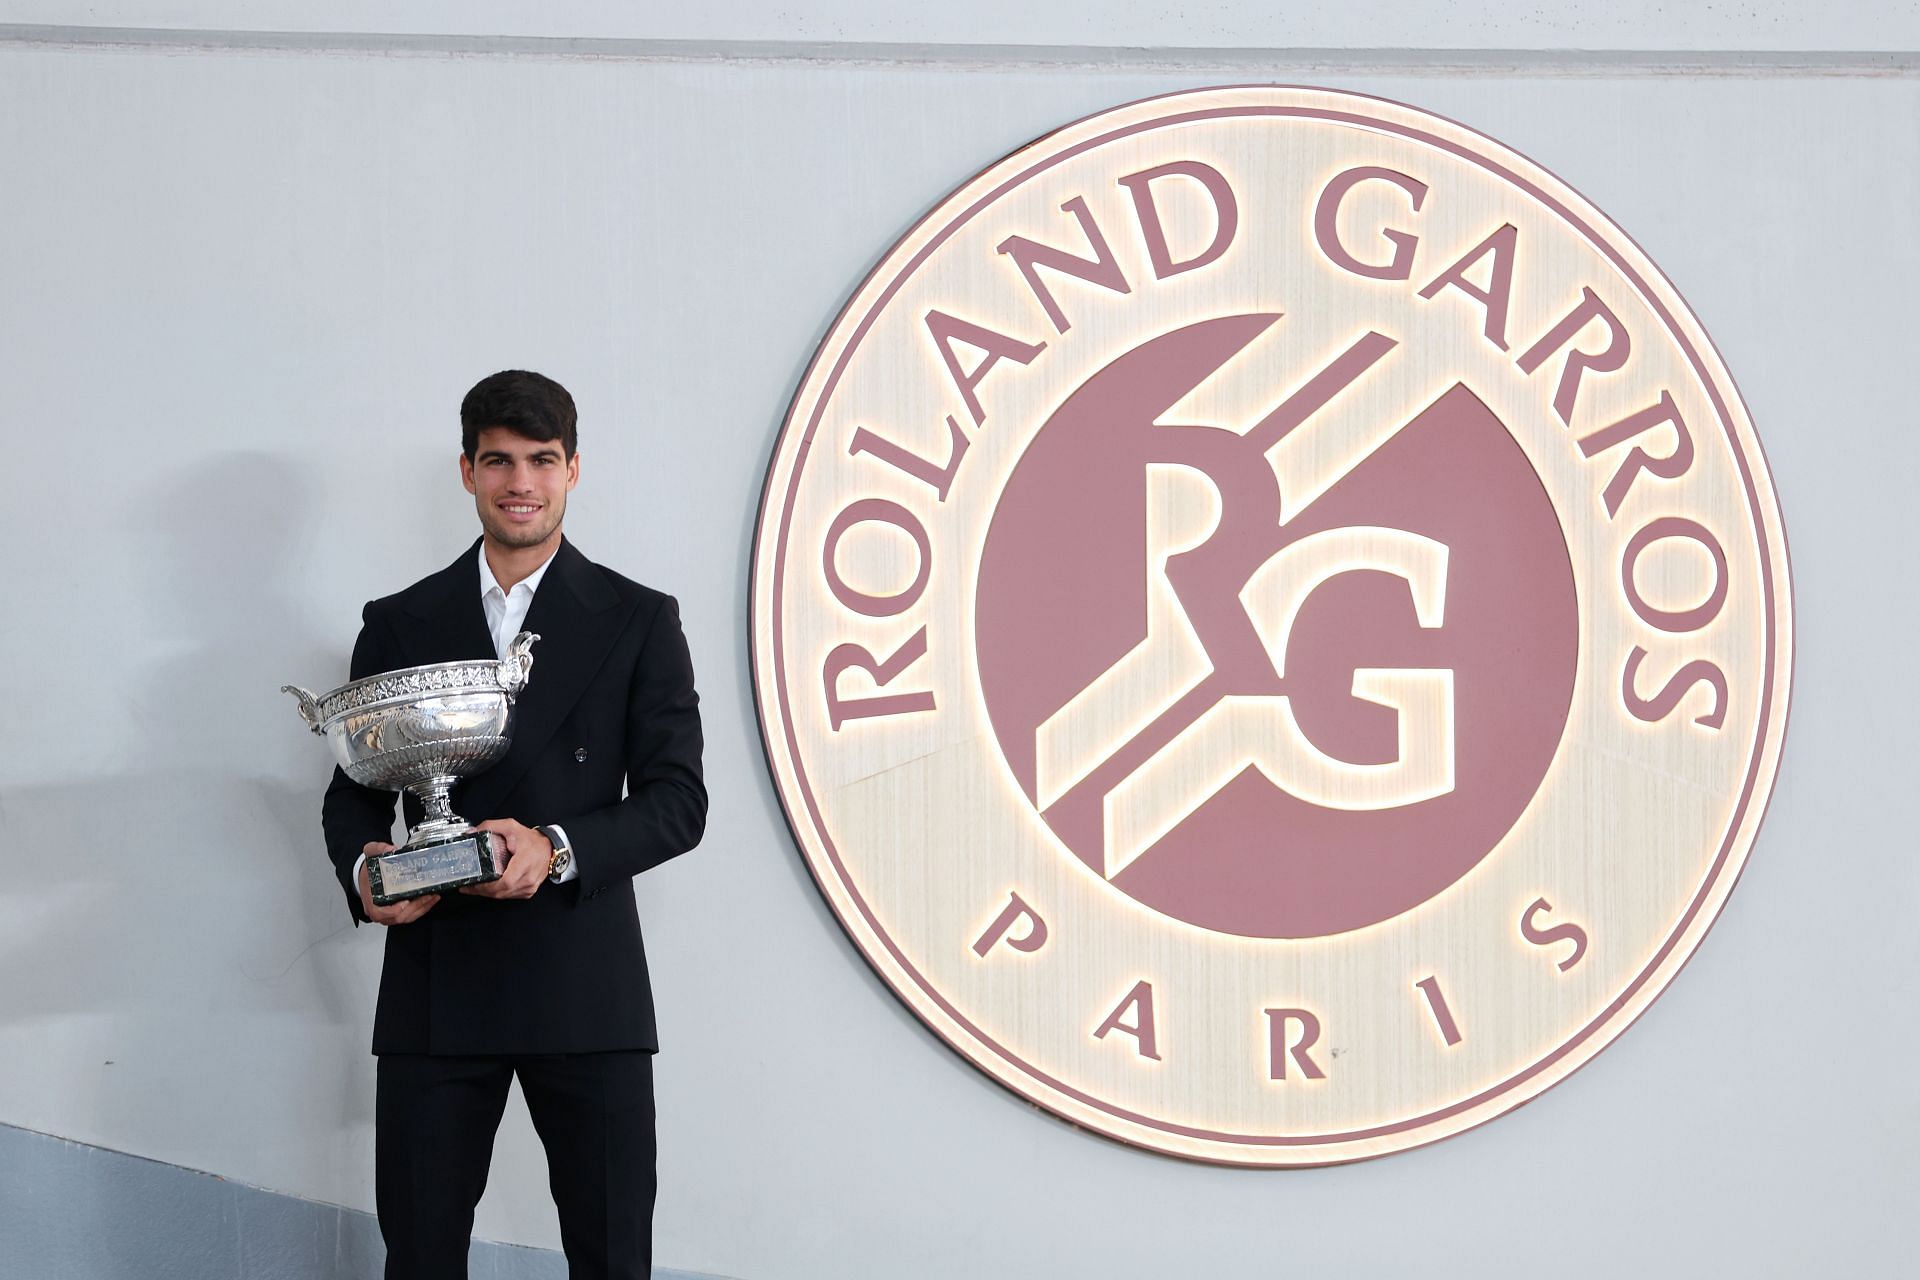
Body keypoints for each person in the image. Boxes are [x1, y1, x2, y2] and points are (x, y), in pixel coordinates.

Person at [316, 369, 707, 1280]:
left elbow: (677, 801)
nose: (519, 481)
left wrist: (556, 851)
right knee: (419, 1259)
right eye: (499, 460)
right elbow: (355, 790)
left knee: (613, 1262)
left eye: (541, 460)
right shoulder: (400, 619)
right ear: (467, 471)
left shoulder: (640, 619)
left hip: (585, 986)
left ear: (574, 471)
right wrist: (366, 867)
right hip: (435, 987)